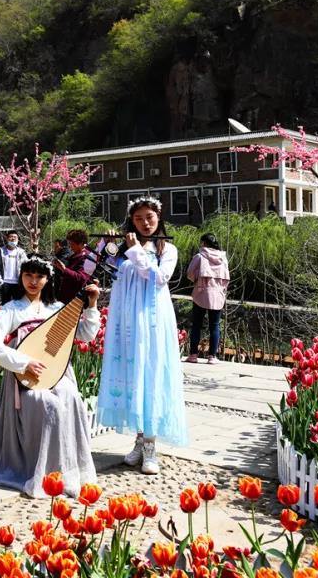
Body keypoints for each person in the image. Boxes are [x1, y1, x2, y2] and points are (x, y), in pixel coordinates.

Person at [0, 254, 101, 498]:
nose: (33, 281)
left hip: (56, 373)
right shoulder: (11, 309)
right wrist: (23, 362)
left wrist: (91, 305)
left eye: (39, 276)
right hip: (25, 379)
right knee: (47, 405)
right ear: (21, 277)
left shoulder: (56, 308)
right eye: (28, 275)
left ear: (48, 279)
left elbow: (85, 335)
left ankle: (68, 473)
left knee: (71, 397)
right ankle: (42, 473)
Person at [96, 196, 188, 475]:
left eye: (149, 217)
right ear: (131, 221)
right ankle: (139, 439)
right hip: (127, 319)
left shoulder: (167, 249)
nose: (145, 223)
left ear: (158, 218)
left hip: (153, 319)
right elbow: (102, 268)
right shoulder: (124, 248)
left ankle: (150, 445)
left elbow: (159, 278)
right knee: (132, 373)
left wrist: (135, 251)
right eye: (138, 219)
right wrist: (107, 246)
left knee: (151, 373)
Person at [186, 233, 230, 365]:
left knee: (196, 325)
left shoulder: (200, 256)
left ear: (204, 243)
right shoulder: (223, 258)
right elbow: (227, 277)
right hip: (217, 294)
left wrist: (197, 279)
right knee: (215, 326)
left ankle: (193, 355)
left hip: (201, 292)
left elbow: (189, 273)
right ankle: (212, 356)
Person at [52, 229, 94, 304]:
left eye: (72, 244)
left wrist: (64, 269)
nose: (70, 246)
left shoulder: (87, 258)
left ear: (80, 244)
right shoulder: (74, 255)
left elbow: (81, 278)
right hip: (64, 298)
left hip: (75, 301)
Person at [0, 231, 28, 304]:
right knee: (6, 306)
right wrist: (0, 282)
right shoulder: (1, 251)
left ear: (18, 239)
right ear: (7, 238)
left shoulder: (21, 252)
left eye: (15, 237)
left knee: (18, 306)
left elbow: (27, 267)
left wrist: (23, 282)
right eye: (11, 237)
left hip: (18, 284)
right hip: (5, 283)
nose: (13, 239)